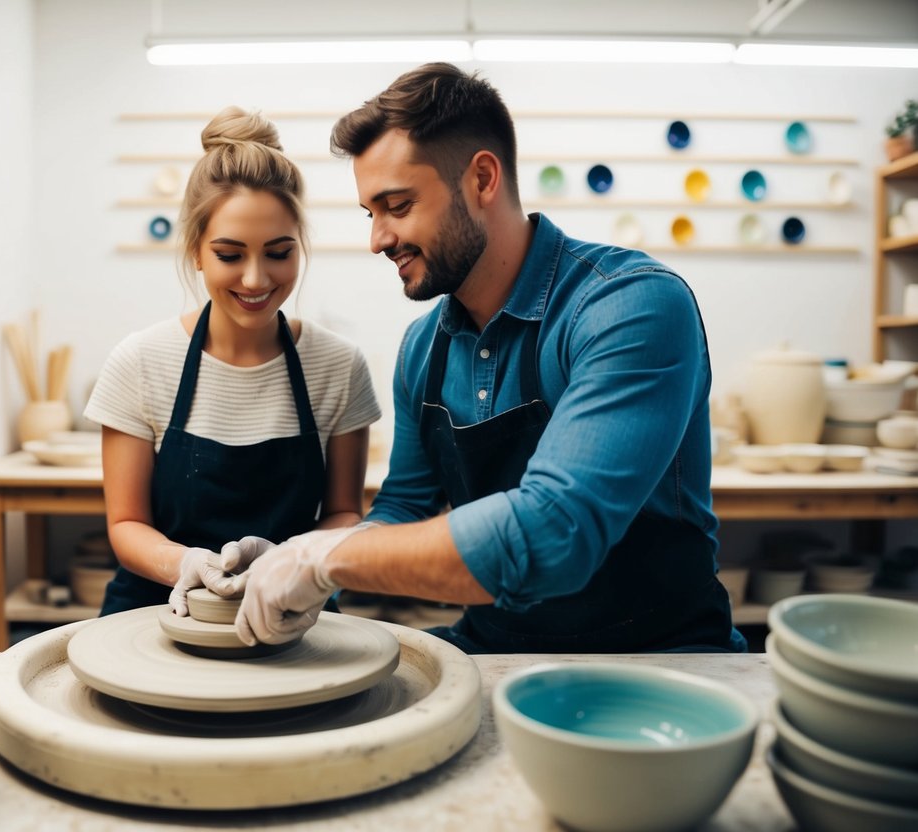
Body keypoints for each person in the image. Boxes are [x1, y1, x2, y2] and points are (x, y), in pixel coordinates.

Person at [231, 63, 746, 655]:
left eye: (396, 206)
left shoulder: (630, 304)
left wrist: (325, 557)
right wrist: (294, 569)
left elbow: (556, 533)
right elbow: (404, 505)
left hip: (660, 657)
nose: (377, 238)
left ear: (481, 179)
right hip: (497, 647)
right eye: (369, 214)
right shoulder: (422, 349)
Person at [83, 107, 382, 618]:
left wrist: (294, 564)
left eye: (278, 253)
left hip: (289, 614)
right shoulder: (140, 361)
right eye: (229, 254)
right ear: (196, 251)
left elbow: (342, 512)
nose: (255, 279)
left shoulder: (338, 365)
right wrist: (184, 562)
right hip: (157, 616)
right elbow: (126, 525)